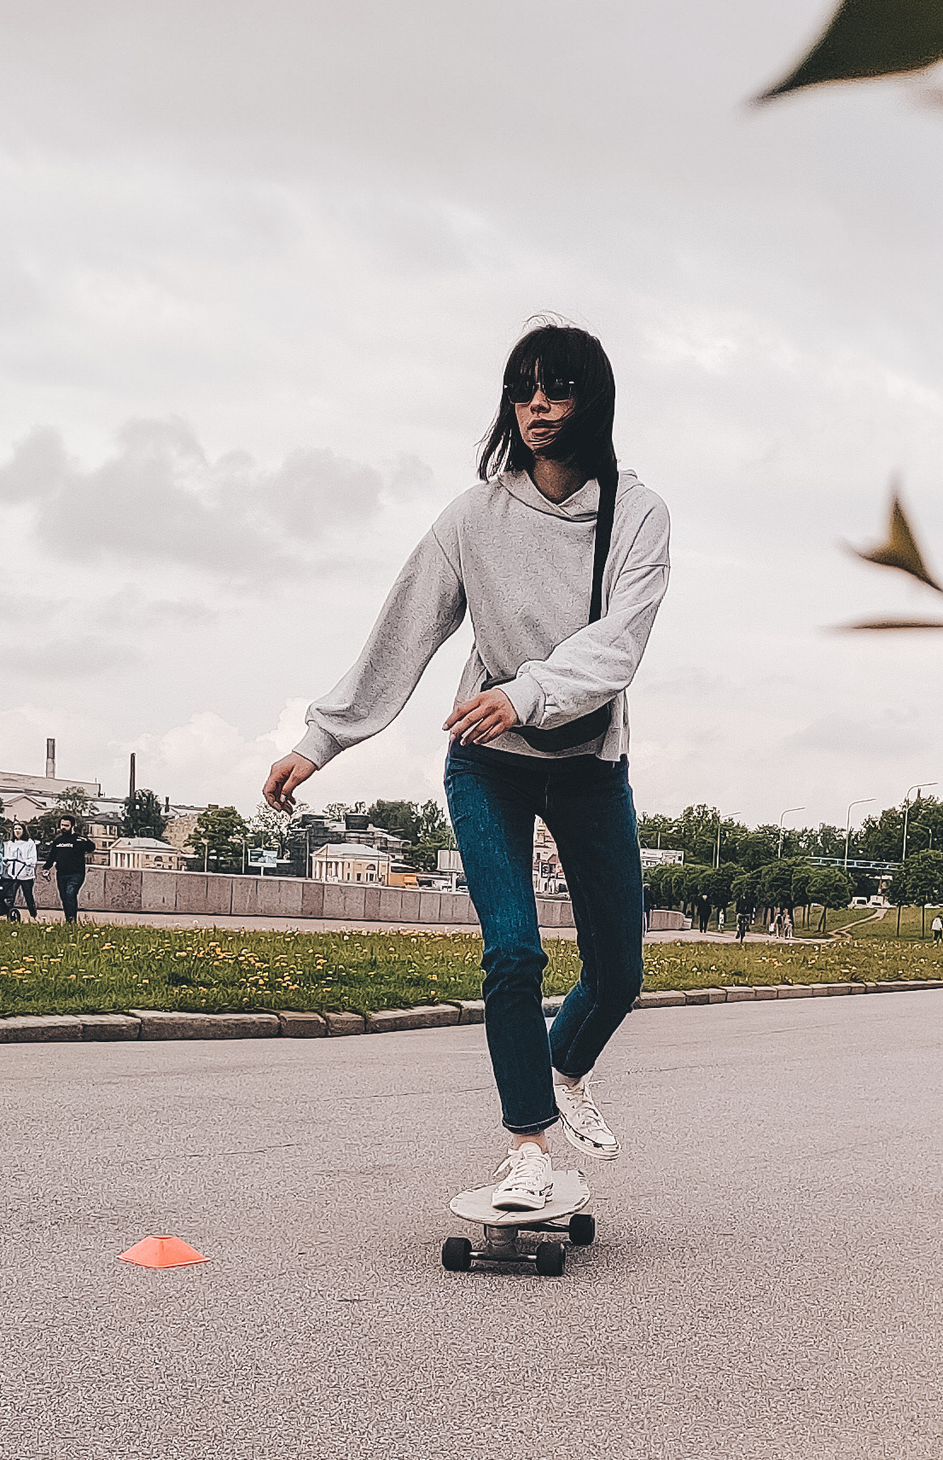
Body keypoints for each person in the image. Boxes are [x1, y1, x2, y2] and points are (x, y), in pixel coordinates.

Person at [263, 322, 671, 1214]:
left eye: (556, 391)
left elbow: (618, 647)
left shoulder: (637, 515)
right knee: (514, 952)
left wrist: (526, 692)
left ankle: (563, 1069)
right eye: (523, 391)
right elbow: (406, 629)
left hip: (589, 760)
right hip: (488, 765)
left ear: (590, 402)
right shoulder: (471, 518)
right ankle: (527, 1145)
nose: (536, 407)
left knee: (621, 974)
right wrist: (320, 739)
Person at [49, 820, 91, 925]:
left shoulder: (79, 839)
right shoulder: (58, 841)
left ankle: (72, 921)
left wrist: (84, 842)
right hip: (61, 874)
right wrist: (46, 868)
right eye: (62, 825)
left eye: (66, 825)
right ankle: (69, 920)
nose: (64, 827)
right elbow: (52, 856)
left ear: (72, 826)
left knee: (70, 893)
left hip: (76, 873)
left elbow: (91, 847)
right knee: (64, 897)